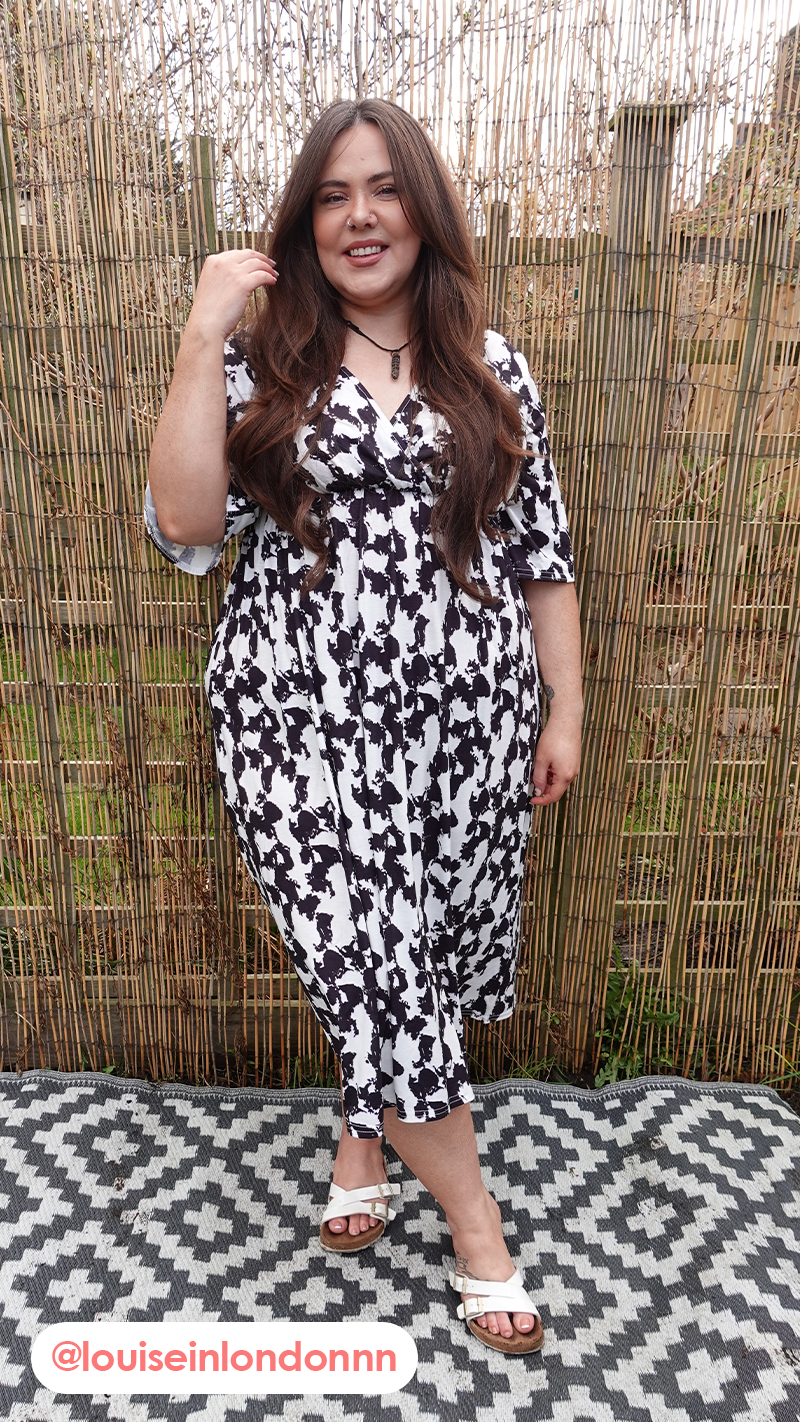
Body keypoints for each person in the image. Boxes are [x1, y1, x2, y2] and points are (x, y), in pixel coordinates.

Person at [145, 97, 582, 1357]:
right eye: (332, 195)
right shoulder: (258, 363)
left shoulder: (490, 366)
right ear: (302, 223)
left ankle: (361, 1129)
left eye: (384, 188)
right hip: (295, 714)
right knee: (369, 953)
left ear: (423, 210)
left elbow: (539, 550)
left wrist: (563, 704)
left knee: (417, 946)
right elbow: (187, 527)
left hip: (466, 716)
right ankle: (478, 1227)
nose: (360, 215)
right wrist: (200, 334)